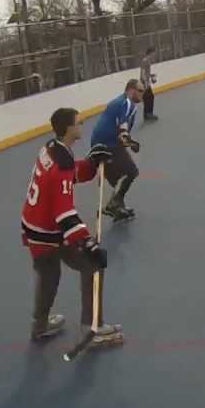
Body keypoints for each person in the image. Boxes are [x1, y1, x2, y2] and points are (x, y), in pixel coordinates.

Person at [21, 107, 124, 348]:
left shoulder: (49, 149)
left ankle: (40, 325)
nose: (81, 125)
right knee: (93, 264)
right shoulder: (61, 165)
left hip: (33, 226)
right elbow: (65, 215)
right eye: (78, 123)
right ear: (69, 129)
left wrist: (90, 164)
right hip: (49, 232)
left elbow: (68, 175)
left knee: (49, 275)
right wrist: (88, 242)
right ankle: (92, 329)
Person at [90, 79, 144, 220]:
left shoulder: (120, 101)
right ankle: (113, 205)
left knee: (118, 178)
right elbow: (123, 125)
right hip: (108, 144)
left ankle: (117, 206)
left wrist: (126, 141)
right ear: (131, 90)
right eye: (140, 91)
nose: (142, 94)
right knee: (131, 171)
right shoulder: (126, 102)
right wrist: (128, 140)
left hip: (100, 143)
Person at [140, 46, 158, 122]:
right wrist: (145, 82)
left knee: (147, 98)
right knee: (149, 97)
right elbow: (142, 73)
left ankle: (146, 114)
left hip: (146, 82)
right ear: (150, 53)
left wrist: (151, 76)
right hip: (144, 83)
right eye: (154, 53)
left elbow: (146, 72)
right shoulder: (145, 61)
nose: (154, 55)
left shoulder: (147, 60)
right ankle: (149, 114)